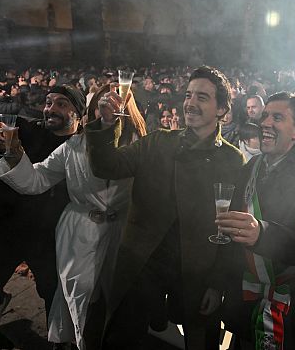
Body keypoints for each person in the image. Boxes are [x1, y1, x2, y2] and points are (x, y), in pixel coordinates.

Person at [85, 65, 244, 349]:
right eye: (188, 95)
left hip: (197, 270)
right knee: (121, 339)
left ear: (222, 109)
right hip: (142, 263)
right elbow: (107, 166)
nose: (190, 103)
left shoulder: (232, 160)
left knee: (200, 341)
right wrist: (106, 126)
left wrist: (217, 283)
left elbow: (232, 229)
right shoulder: (158, 142)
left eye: (202, 98)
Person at [0, 84, 146, 350]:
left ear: (126, 109)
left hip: (123, 233)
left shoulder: (142, 147)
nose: (107, 109)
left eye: (114, 104)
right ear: (92, 109)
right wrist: (15, 153)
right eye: (101, 104)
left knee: (118, 298)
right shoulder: (73, 146)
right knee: (80, 296)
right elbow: (37, 180)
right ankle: (79, 342)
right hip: (80, 230)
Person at [0, 86, 80, 336]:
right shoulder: (20, 129)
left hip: (48, 234)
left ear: (79, 113)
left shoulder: (81, 146)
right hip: (3, 226)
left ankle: (60, 334)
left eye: (62, 104)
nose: (51, 109)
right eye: (48, 102)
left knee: (52, 288)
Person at [217, 91, 295, 349]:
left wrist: (262, 234)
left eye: (277, 118)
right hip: (245, 300)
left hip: (286, 308)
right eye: (265, 115)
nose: (265, 122)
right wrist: (217, 284)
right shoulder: (251, 167)